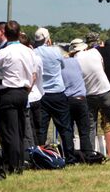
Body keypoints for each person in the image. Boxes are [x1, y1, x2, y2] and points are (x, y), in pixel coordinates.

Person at [0, 21, 36, 174]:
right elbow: (33, 73)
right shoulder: (28, 51)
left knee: (10, 131)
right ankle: (20, 162)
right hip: (23, 92)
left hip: (7, 92)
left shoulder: (5, 52)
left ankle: (13, 165)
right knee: (20, 131)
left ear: (5, 35)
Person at [73, 37, 110, 158]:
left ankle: (91, 153)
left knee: (91, 125)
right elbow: (102, 67)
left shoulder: (76, 58)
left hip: (89, 94)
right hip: (105, 90)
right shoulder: (95, 52)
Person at [33, 28, 76, 164]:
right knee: (65, 128)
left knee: (42, 129)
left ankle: (40, 156)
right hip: (58, 93)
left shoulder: (34, 53)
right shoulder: (56, 51)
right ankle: (70, 157)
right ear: (48, 39)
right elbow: (62, 66)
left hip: (42, 95)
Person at [62, 40, 93, 153]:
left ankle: (70, 154)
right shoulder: (76, 62)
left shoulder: (61, 65)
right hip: (80, 98)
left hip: (67, 99)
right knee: (84, 131)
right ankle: (87, 153)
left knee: (68, 130)